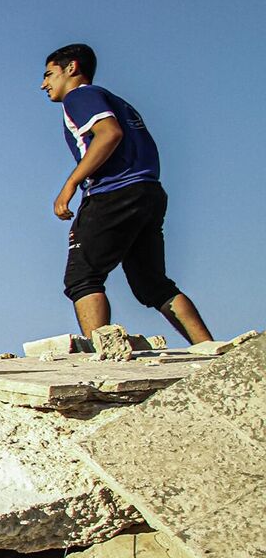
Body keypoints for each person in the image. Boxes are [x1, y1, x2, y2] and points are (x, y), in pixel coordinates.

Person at [41, 43, 212, 343]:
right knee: (153, 284)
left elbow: (109, 133)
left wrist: (68, 186)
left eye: (49, 74)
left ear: (72, 68)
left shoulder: (80, 96)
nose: (44, 84)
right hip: (148, 192)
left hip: (112, 193)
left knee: (82, 277)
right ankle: (211, 350)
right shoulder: (117, 101)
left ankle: (104, 357)